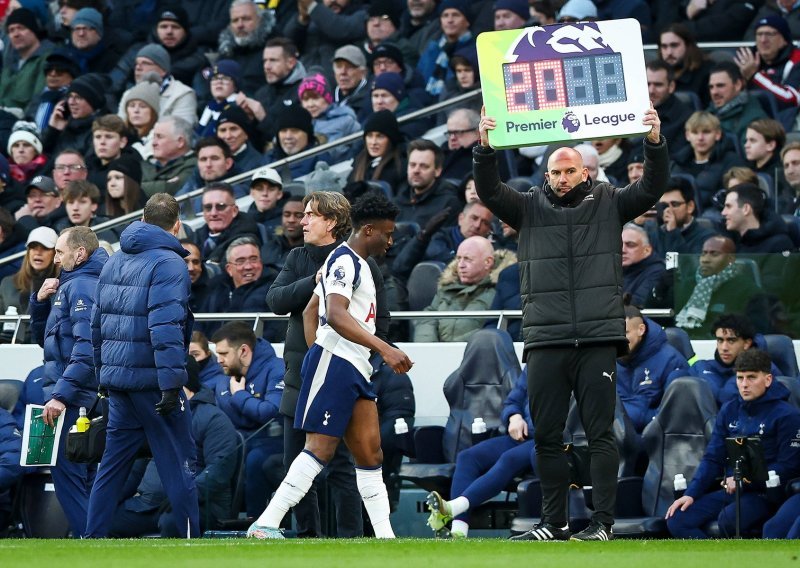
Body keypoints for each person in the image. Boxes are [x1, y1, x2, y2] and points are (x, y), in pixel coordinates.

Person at [475, 103, 666, 541]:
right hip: (545, 339)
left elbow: (653, 186)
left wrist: (654, 140)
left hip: (598, 336)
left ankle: (601, 524)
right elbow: (489, 191)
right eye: (555, 172)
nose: (562, 178)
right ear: (547, 176)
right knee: (546, 436)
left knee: (600, 434)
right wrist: (484, 147)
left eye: (570, 171)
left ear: (586, 173)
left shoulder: (612, 202)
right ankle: (553, 523)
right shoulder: (525, 208)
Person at [249, 192, 412, 539]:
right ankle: (266, 522)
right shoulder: (344, 262)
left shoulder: (357, 262)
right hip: (338, 363)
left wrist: (318, 353)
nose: (391, 239)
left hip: (353, 366)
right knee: (319, 450)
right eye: (387, 232)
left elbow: (311, 310)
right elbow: (334, 314)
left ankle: (386, 538)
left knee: (370, 452)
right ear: (369, 230)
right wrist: (381, 349)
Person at [84, 193, 199, 538]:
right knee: (179, 460)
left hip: (118, 381)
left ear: (143, 219)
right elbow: (165, 328)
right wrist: (170, 383)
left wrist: (102, 375)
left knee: (112, 466)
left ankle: (91, 538)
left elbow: (96, 322)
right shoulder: (170, 263)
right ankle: (192, 537)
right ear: (176, 225)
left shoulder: (116, 259)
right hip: (152, 381)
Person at [665, 349, 800, 538]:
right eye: (740, 378)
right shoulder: (730, 409)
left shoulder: (787, 415)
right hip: (731, 489)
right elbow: (713, 458)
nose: (744, 385)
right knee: (677, 518)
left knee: (730, 519)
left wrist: (744, 479)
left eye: (751, 378)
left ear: (768, 380)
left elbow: (789, 466)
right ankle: (711, 561)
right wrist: (691, 494)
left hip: (765, 494)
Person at [29, 226, 108, 537]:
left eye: (60, 252)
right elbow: (47, 342)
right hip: (78, 393)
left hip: (74, 396)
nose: (56, 259)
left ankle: (91, 539)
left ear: (80, 253)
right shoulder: (69, 285)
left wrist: (60, 395)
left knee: (68, 472)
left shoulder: (82, 287)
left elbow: (86, 349)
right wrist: (38, 302)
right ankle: (93, 539)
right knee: (82, 473)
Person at [108, 355, 239, 537]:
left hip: (201, 505)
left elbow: (219, 470)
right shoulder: (159, 416)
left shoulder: (214, 419)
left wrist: (185, 494)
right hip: (150, 505)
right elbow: (138, 465)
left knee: (171, 523)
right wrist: (112, 494)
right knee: (105, 520)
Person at [426, 365, 535, 538]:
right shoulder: (532, 364)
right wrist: (515, 416)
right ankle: (458, 532)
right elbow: (512, 402)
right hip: (522, 435)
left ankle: (451, 508)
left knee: (509, 458)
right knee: (468, 457)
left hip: (549, 440)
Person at [210, 321, 284, 519]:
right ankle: (217, 521)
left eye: (224, 354)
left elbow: (271, 413)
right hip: (239, 440)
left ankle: (257, 522)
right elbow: (226, 416)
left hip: (274, 441)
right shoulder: (225, 375)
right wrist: (253, 408)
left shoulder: (276, 368)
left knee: (254, 460)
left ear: (243, 351)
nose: (218, 360)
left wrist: (241, 397)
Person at [414, 236, 515, 343]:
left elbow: (496, 328)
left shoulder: (504, 288)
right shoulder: (447, 287)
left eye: (467, 259)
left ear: (488, 262)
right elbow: (427, 319)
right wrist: (431, 349)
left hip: (478, 356)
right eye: (458, 258)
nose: (460, 265)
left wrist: (460, 348)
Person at [616, 305, 688, 433]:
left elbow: (675, 412)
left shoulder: (671, 360)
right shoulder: (606, 361)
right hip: (615, 437)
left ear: (641, 330)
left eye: (625, 333)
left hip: (655, 439)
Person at [683, 313, 782, 407]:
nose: (724, 347)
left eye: (731, 340)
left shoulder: (766, 369)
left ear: (747, 343)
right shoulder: (700, 367)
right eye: (720, 340)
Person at [0, 226, 59, 344]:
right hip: (10, 350)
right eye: (33, 247)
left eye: (45, 248)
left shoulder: (61, 284)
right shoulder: (8, 283)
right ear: (28, 252)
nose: (38, 252)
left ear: (55, 253)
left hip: (47, 347)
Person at [652, 177, 718, 257]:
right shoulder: (656, 234)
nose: (668, 210)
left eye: (675, 204)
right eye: (664, 205)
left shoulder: (708, 238)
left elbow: (684, 267)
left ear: (690, 206)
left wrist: (673, 233)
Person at [722, 183, 795, 253]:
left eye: (728, 206)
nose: (723, 213)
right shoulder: (733, 243)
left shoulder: (780, 244)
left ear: (746, 209)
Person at [621, 223, 665, 307]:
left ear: (647, 250)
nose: (623, 250)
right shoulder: (612, 270)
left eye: (630, 245)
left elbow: (637, 304)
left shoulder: (657, 272)